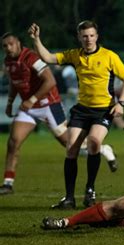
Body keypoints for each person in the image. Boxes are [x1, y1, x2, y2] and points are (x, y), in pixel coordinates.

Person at [28, 21, 124, 209]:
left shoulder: (109, 56)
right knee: (71, 149)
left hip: (103, 110)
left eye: (91, 35)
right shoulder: (75, 55)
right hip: (82, 110)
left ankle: (89, 190)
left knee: (94, 142)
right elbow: (49, 57)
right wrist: (36, 39)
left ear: (97, 36)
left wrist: (121, 103)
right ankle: (69, 198)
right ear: (79, 37)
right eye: (85, 36)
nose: (88, 39)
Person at [0, 32, 117, 195]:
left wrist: (32, 99)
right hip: (29, 108)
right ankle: (8, 183)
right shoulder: (8, 61)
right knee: (13, 142)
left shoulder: (31, 58)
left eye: (11, 44)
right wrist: (11, 102)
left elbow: (50, 81)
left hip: (49, 105)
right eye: (5, 46)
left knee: (70, 146)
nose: (8, 48)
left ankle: (102, 148)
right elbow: (15, 83)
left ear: (19, 43)